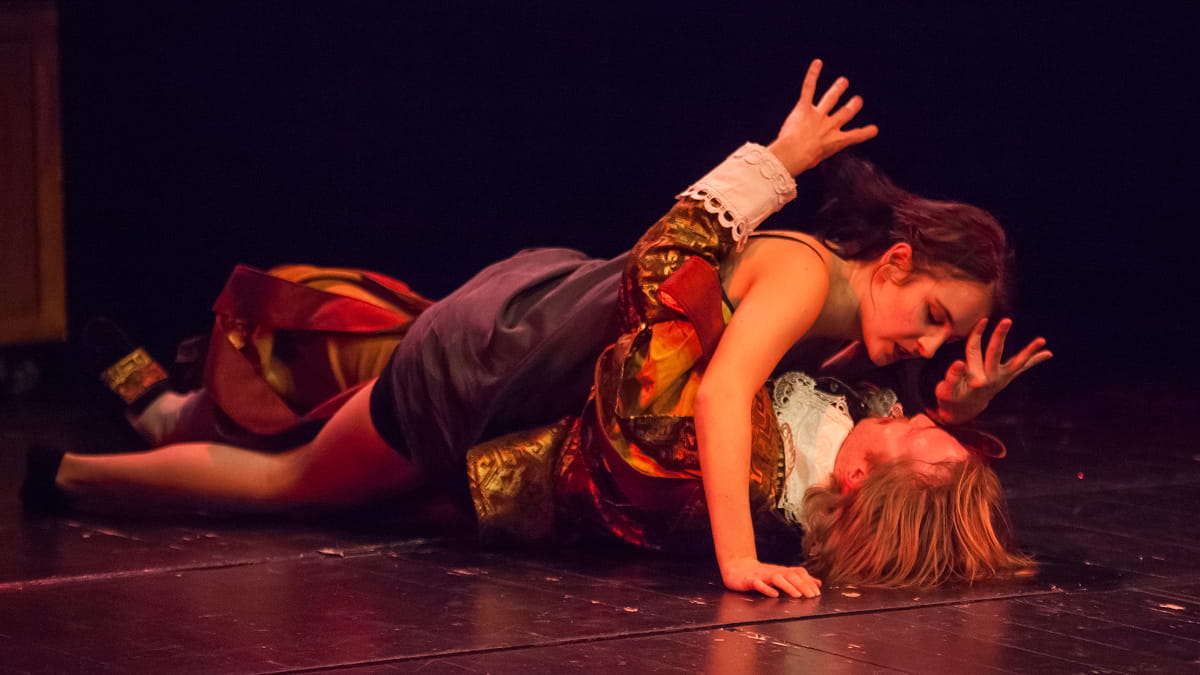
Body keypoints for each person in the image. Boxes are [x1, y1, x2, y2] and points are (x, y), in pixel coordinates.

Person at [26, 60, 1049, 597]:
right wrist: (736, 562)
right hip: (495, 366)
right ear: (897, 262)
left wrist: (948, 406)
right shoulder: (801, 276)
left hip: (531, 347)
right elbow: (725, 389)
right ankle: (69, 477)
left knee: (316, 423)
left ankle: (160, 409)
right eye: (932, 319)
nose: (927, 348)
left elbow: (846, 418)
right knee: (293, 480)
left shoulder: (840, 327)